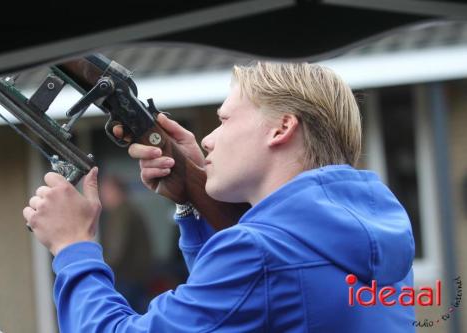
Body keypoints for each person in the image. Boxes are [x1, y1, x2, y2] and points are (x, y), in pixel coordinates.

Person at [23, 62, 415, 332]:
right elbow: (245, 309)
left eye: (225, 119)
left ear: (281, 128)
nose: (208, 139)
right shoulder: (366, 242)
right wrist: (191, 199)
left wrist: (72, 245)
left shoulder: (259, 256)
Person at [99, 175, 152, 312]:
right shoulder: (130, 210)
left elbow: (117, 249)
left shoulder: (121, 214)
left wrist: (102, 270)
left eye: (105, 192)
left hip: (125, 278)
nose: (102, 197)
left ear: (117, 191)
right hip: (136, 276)